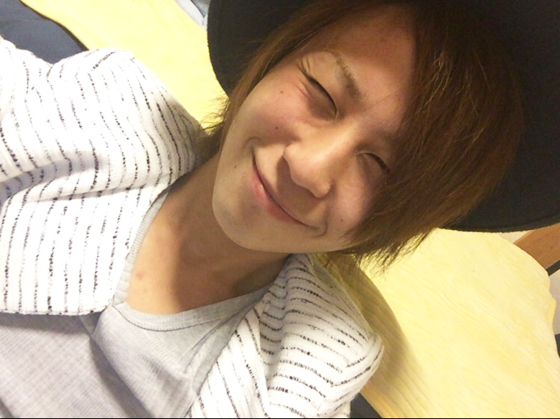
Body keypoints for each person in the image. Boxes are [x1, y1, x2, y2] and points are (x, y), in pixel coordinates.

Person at [0, 0, 537, 417]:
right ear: (268, 60)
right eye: (321, 92)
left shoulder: (318, 368)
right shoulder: (96, 107)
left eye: (380, 166)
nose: (308, 168)